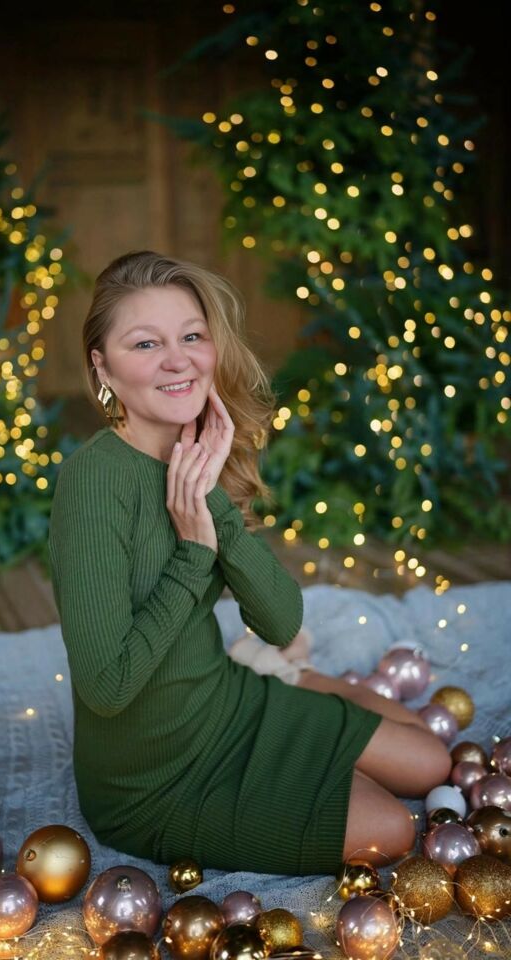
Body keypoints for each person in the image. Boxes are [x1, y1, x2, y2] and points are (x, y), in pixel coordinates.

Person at [48, 250, 451, 877]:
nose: (178, 360)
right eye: (146, 343)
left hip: (226, 703)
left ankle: (285, 682)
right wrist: (194, 555)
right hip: (156, 782)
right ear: (103, 366)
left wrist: (209, 493)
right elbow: (107, 688)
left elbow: (283, 622)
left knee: (433, 763)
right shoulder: (93, 484)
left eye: (191, 336)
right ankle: (293, 708)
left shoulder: (195, 456)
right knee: (393, 830)